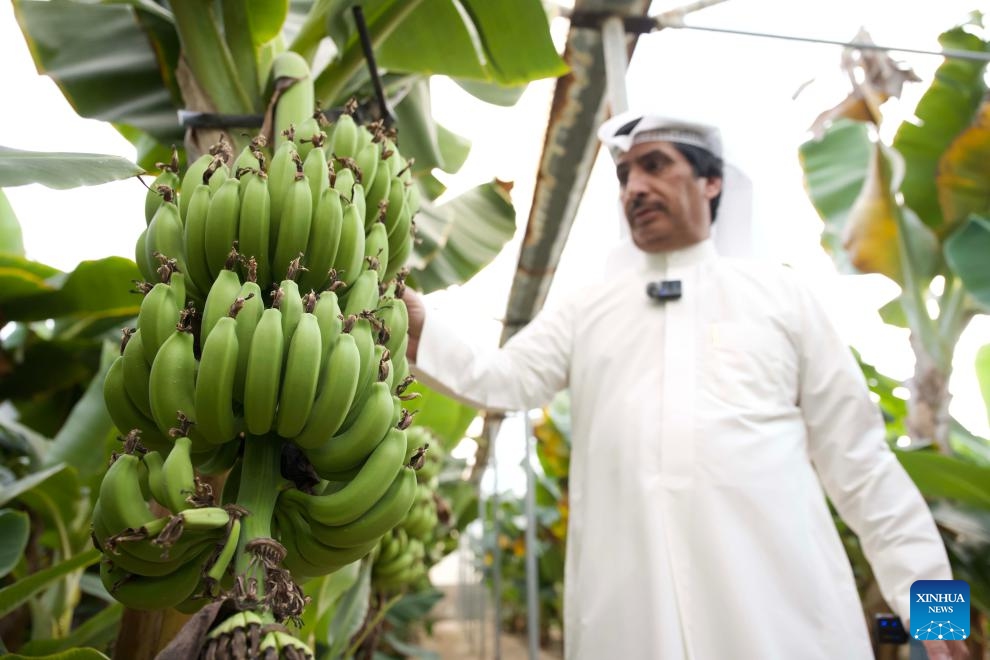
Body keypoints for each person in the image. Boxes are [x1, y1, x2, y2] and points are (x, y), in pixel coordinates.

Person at [399, 112, 966, 660]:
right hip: (631, 613)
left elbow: (863, 462)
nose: (634, 188)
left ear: (711, 181)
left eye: (655, 166)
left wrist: (940, 616)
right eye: (624, 176)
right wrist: (416, 322)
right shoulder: (586, 307)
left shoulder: (780, 297)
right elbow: (503, 379)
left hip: (778, 611)